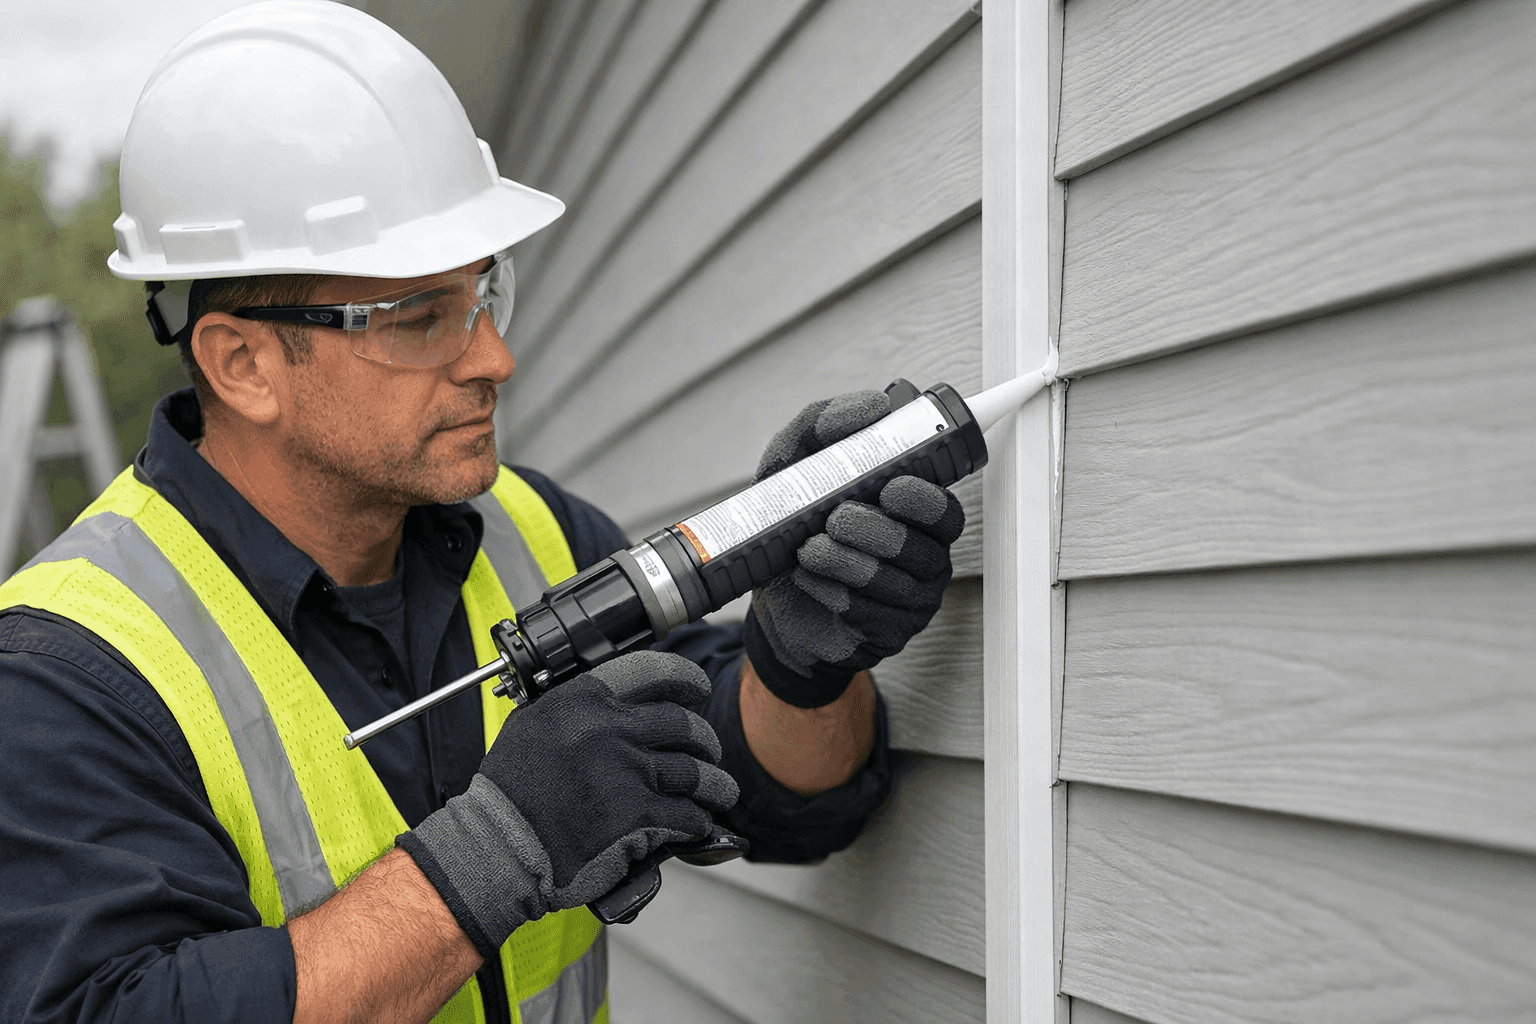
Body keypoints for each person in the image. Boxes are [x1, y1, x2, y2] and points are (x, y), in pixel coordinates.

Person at [0, 4, 965, 1023]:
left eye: (482, 293)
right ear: (243, 364)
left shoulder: (528, 532)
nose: (492, 357)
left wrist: (804, 661)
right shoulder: (72, 669)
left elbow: (781, 795)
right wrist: (501, 847)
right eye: (420, 319)